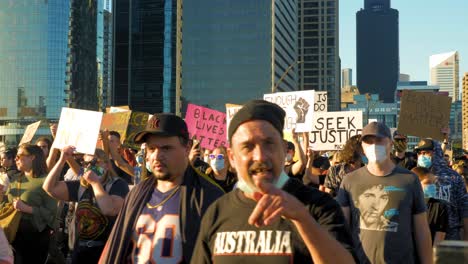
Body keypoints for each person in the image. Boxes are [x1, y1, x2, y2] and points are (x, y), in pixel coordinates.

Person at [192, 100, 356, 263]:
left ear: (284, 149)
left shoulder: (320, 207)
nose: (260, 156)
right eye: (247, 147)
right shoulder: (216, 213)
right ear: (232, 157)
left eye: (269, 144)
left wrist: (303, 219)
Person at [99, 113, 224, 263]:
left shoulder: (211, 197)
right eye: (151, 149)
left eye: (166, 148)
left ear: (187, 147)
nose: (157, 156)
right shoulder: (137, 193)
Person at [336, 122, 432, 264]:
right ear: (362, 148)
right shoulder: (350, 181)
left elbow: (422, 230)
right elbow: (341, 230)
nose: (374, 146)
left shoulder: (409, 180)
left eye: (379, 140)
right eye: (368, 141)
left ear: (391, 144)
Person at [43, 146, 129, 263]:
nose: (90, 167)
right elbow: (49, 188)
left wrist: (95, 183)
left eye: (95, 162)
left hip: (106, 250)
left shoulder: (118, 185)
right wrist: (62, 159)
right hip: (80, 251)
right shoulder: (81, 186)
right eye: (86, 163)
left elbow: (110, 209)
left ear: (107, 165)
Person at [1, 144, 57, 264]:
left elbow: (53, 215)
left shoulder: (46, 181)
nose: (16, 159)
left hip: (35, 238)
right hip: (13, 236)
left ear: (32, 157)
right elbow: (5, 207)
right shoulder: (15, 179)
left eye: (19, 156)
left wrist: (28, 209)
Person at [414, 138, 468, 240]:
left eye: (426, 153)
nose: (422, 156)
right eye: (420, 153)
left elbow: (465, 207)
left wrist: (466, 236)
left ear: (437, 153)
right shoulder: (415, 176)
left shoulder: (454, 177)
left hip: (450, 235)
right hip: (423, 234)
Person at [411, 166, 449, 245]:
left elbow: (439, 236)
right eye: (428, 183)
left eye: (434, 183)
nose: (432, 186)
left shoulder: (439, 206)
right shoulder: (405, 205)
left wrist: (431, 256)